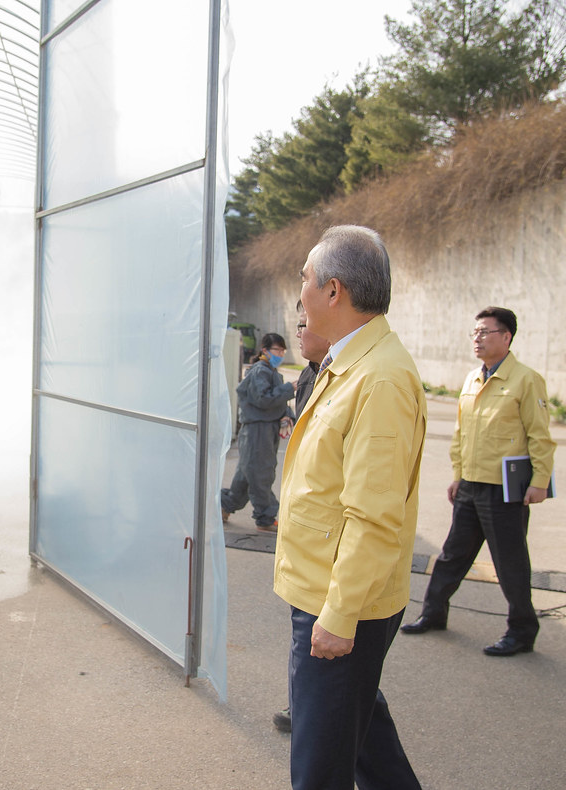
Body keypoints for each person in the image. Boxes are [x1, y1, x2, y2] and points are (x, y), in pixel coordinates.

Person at [275, 225, 425, 789]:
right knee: (364, 741)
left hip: (341, 605)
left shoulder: (379, 378)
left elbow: (375, 516)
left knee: (319, 765)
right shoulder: (350, 364)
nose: (302, 293)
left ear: (334, 291)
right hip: (329, 590)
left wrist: (337, 618)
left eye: (306, 280)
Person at [401, 306, 555, 656]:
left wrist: (540, 481)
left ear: (507, 336)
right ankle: (433, 613)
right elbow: (462, 434)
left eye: (485, 332)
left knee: (510, 562)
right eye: (475, 333)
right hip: (471, 484)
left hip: (505, 489)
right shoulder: (472, 379)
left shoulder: (526, 380)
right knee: (452, 555)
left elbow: (540, 437)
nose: (478, 338)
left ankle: (522, 630)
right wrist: (458, 476)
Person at [272, 299, 330, 735]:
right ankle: (304, 703)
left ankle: (305, 706)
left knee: (325, 657)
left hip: (327, 544)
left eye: (304, 323)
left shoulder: (353, 378)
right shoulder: (309, 375)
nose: (298, 331)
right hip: (305, 537)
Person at [221, 333, 295, 532]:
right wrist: (290, 388)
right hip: (257, 430)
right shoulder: (259, 372)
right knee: (260, 473)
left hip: (265, 429)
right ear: (265, 351)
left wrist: (286, 414)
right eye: (277, 350)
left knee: (247, 474)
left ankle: (224, 505)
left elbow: (276, 402)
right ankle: (266, 517)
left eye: (282, 350)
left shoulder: (271, 371)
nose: (280, 354)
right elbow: (263, 399)